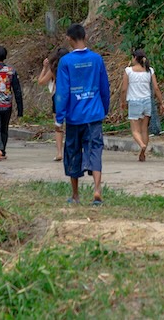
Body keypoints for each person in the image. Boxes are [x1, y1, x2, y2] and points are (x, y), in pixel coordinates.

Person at [54, 23, 110, 206]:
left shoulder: (66, 62)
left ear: (69, 39)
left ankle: (76, 195)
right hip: (94, 115)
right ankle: (97, 190)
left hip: (74, 117)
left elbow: (62, 92)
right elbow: (104, 88)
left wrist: (59, 117)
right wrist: (104, 109)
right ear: (85, 37)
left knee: (72, 153)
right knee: (95, 150)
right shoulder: (96, 59)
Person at [121, 48, 164, 162]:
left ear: (135, 58)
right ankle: (142, 154)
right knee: (144, 129)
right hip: (147, 102)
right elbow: (156, 88)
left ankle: (141, 145)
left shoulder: (128, 71)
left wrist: (123, 102)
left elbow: (124, 89)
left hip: (134, 102)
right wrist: (161, 102)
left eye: (132, 57)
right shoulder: (149, 70)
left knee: (135, 130)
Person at [36, 45, 67, 161]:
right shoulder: (72, 67)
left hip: (58, 98)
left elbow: (41, 81)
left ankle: (59, 152)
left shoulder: (54, 69)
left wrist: (44, 68)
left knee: (58, 126)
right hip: (72, 97)